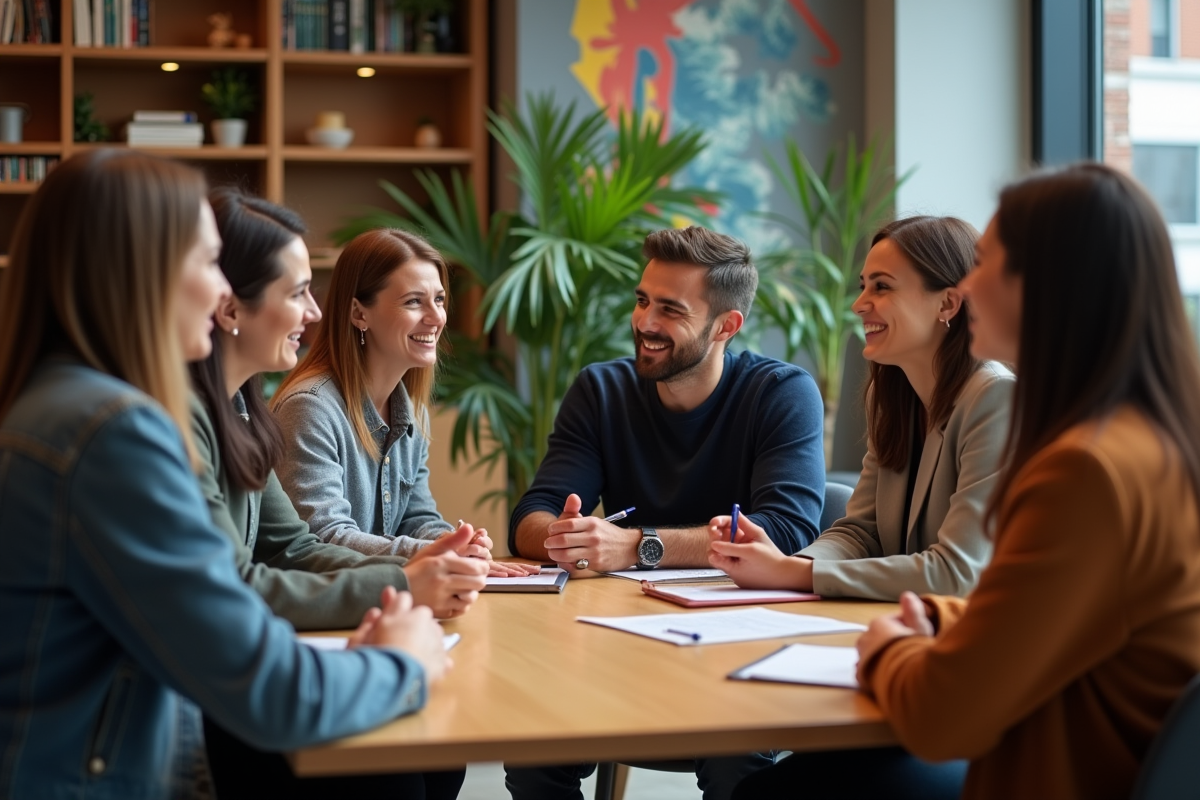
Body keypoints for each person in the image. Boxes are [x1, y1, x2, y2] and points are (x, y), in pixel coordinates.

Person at [0, 149, 451, 799]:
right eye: (208, 262)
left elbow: (283, 558)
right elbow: (265, 683)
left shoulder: (69, 406)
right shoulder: (113, 433)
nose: (221, 293)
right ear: (141, 271)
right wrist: (402, 662)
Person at [740, 163, 1200, 800]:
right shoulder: (1137, 445)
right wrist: (936, 614)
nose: (970, 285)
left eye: (988, 263)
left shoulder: (1084, 471)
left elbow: (943, 716)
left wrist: (888, 646)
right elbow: (1042, 611)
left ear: (1053, 286)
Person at [505, 226, 826, 800]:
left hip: (739, 648)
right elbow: (532, 515)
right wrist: (564, 537)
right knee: (532, 743)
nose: (645, 322)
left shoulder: (781, 393)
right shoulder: (601, 390)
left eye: (671, 310)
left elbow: (786, 531)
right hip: (616, 637)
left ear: (726, 326)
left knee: (737, 762)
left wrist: (634, 546)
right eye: (642, 300)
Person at [191, 188, 487, 798]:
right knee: (402, 770)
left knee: (440, 755)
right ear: (229, 305)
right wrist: (408, 579)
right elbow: (246, 580)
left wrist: (442, 551)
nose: (312, 312)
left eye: (439, 299)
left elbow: (295, 547)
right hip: (214, 696)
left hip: (251, 660)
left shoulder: (242, 411)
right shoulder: (271, 410)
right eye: (298, 293)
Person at [708, 216, 1012, 601]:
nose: (858, 305)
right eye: (863, 286)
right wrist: (785, 564)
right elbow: (860, 533)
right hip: (899, 621)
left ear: (948, 303)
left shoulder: (995, 398)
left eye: (882, 286)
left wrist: (793, 573)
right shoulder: (890, 400)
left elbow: (957, 573)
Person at [272, 228, 536, 578]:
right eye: (413, 301)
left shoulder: (409, 411)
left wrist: (456, 542)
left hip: (381, 597)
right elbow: (324, 538)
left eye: (439, 299)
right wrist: (435, 552)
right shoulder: (310, 408)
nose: (437, 317)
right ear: (359, 313)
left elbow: (417, 518)